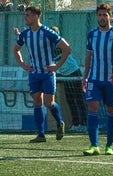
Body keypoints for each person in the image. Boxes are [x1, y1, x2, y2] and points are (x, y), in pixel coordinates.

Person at [13, 6, 71, 142]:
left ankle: (59, 122)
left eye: (28, 15)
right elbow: (16, 50)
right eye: (25, 15)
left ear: (36, 16)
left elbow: (67, 49)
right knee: (37, 101)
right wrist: (23, 65)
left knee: (49, 102)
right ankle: (41, 134)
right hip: (34, 73)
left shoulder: (47, 32)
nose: (25, 17)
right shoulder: (25, 34)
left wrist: (56, 66)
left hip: (47, 74)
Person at [82, 3, 113, 156]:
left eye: (104, 15)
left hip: (111, 80)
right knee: (92, 107)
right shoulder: (91, 34)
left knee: (111, 110)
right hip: (94, 79)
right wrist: (85, 77)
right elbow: (88, 57)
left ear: (110, 16)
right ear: (97, 16)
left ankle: (109, 145)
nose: (102, 18)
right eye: (99, 15)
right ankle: (94, 145)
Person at [50, 26, 87, 131]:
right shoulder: (49, 46)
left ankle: (84, 124)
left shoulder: (60, 44)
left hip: (74, 73)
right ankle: (75, 123)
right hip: (65, 76)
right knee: (70, 101)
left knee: (79, 99)